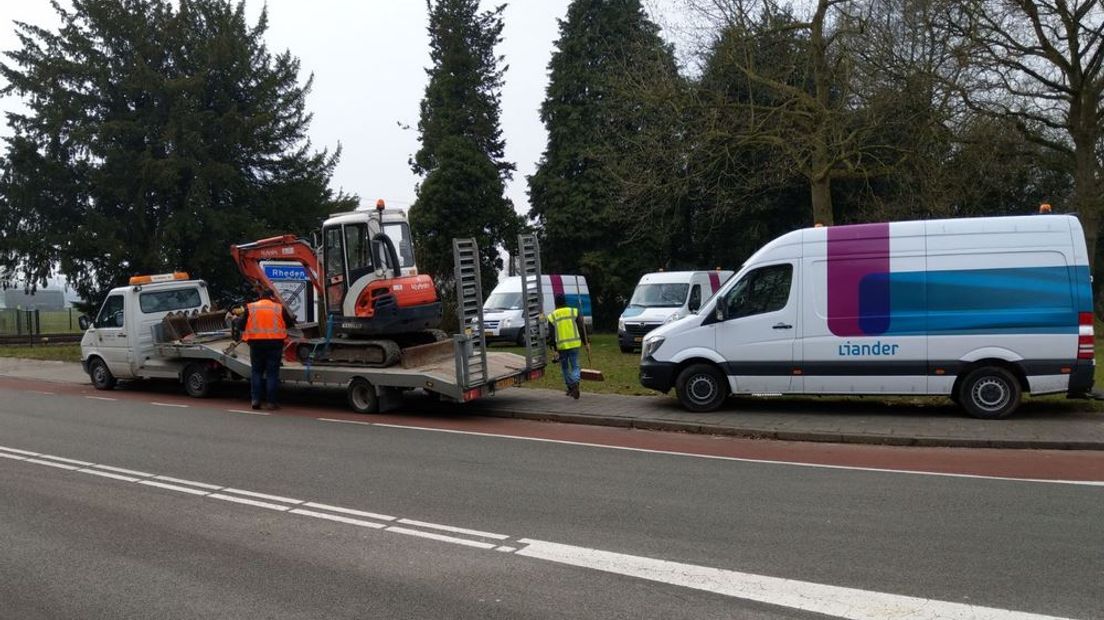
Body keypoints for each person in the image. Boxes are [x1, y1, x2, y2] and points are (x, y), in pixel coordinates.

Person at [238, 289, 295, 410]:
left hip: (256, 344)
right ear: (272, 297)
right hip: (275, 344)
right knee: (272, 373)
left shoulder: (251, 308)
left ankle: (255, 400)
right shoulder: (278, 308)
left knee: (256, 372)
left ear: (260, 296)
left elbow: (240, 326)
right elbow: (290, 324)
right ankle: (271, 402)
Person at [547, 293, 589, 400]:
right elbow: (581, 328)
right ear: (565, 302)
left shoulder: (552, 316)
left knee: (565, 368)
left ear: (555, 303)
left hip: (561, 347)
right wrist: (586, 343)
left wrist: (554, 349)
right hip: (574, 344)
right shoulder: (573, 311)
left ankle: (571, 387)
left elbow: (551, 335)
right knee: (575, 366)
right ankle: (575, 383)